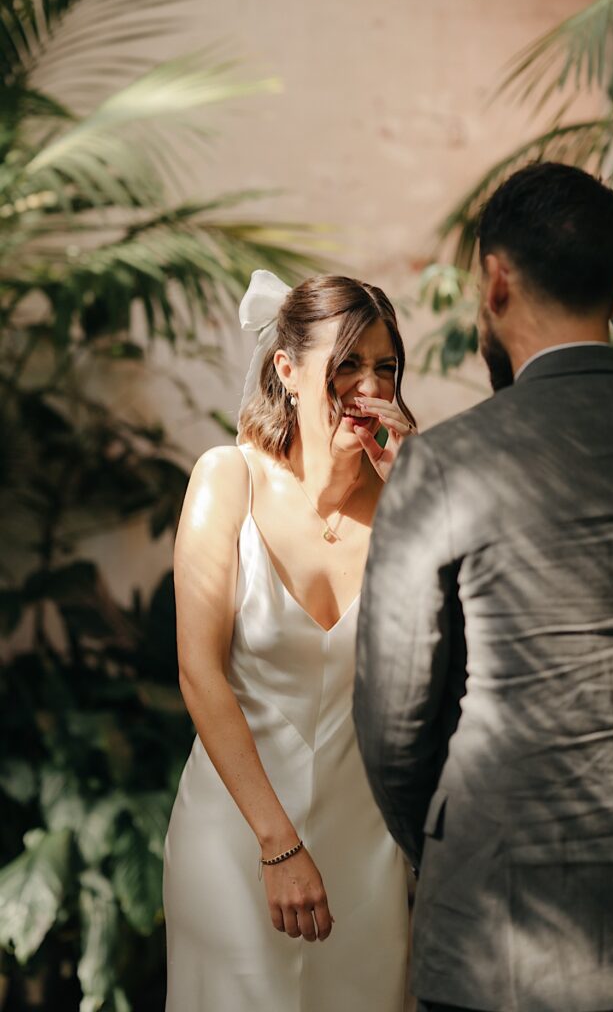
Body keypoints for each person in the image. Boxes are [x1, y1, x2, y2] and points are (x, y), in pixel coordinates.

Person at [354, 162, 613, 1012]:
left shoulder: (444, 463)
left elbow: (394, 724)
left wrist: (455, 842)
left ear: (495, 281)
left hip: (493, 923)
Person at [163, 271, 415, 1012]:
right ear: (286, 370)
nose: (368, 385)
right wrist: (277, 845)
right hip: (236, 839)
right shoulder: (226, 479)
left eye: (385, 367)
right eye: (346, 363)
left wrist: (415, 496)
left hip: (366, 852)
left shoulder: (408, 500)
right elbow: (197, 672)